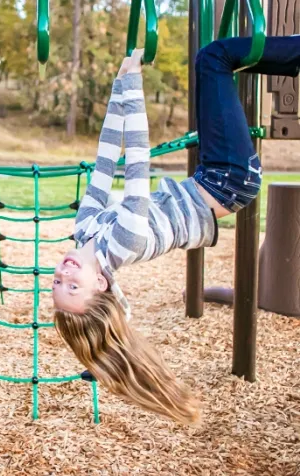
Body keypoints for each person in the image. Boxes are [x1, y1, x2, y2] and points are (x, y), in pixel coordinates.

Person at [52, 37, 299, 424]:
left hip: (211, 175)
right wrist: (133, 87)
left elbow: (104, 161)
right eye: (73, 287)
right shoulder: (123, 242)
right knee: (213, 57)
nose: (63, 276)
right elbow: (136, 164)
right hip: (230, 180)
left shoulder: (85, 230)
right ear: (99, 285)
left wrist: (119, 88)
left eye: (58, 286)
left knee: (214, 60)